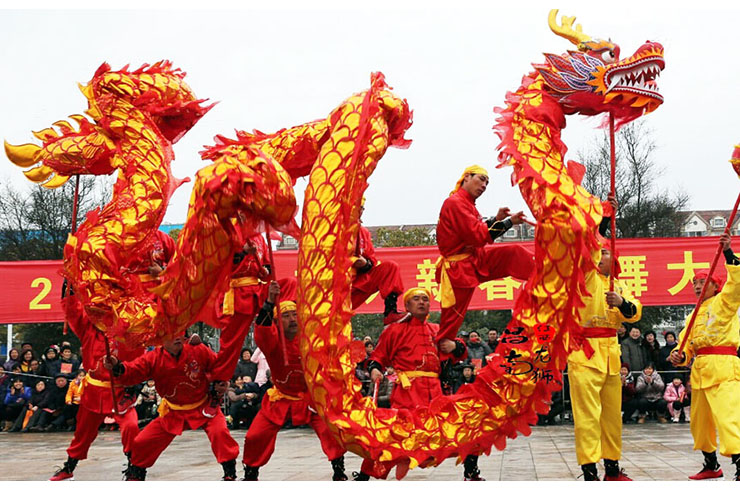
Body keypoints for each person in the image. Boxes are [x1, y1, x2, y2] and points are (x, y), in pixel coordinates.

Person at [353, 287, 479, 481]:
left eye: (425, 299)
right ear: (407, 305)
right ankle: (363, 476)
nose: (422, 303)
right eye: (417, 299)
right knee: (394, 438)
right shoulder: (395, 330)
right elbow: (378, 357)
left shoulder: (437, 330)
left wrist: (454, 346)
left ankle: (471, 474)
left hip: (436, 394)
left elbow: (460, 349)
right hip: (407, 393)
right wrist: (375, 369)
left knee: (462, 429)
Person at [241, 283, 347, 481]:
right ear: (277, 322)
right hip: (281, 396)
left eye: (294, 315)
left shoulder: (311, 338)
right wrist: (270, 301)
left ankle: (339, 470)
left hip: (310, 397)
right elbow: (262, 331)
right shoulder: (273, 341)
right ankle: (250, 473)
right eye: (286, 316)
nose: (291, 319)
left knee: (331, 431)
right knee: (255, 436)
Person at [568, 198, 642, 481]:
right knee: (587, 415)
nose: (603, 256)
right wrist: (605, 219)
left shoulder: (619, 286)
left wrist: (621, 302)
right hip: (584, 353)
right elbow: (588, 245)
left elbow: (634, 313)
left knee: (612, 415)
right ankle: (589, 470)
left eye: (608, 253)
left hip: (611, 355)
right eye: (601, 252)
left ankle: (612, 467)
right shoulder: (585, 276)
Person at [106, 332, 241, 481]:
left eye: (180, 334)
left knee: (220, 432)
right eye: (172, 335)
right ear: (161, 340)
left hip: (204, 406)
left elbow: (218, 367)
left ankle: (230, 474)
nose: (177, 337)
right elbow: (134, 370)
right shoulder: (153, 358)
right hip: (173, 410)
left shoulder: (198, 349)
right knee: (142, 442)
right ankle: (136, 475)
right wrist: (117, 367)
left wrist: (221, 382)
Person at [435, 165, 534, 349]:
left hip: (474, 259)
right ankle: (444, 356)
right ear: (466, 177)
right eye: (481, 179)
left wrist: (496, 219)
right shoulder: (455, 202)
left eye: (487, 183)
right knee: (451, 322)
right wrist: (507, 222)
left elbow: (476, 230)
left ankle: (544, 273)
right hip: (459, 267)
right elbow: (478, 235)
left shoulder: (467, 205)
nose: (484, 185)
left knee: (513, 253)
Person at [49, 296, 145, 481]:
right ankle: (69, 467)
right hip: (94, 391)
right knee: (83, 433)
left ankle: (134, 468)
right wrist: (67, 294)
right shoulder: (88, 328)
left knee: (131, 427)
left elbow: (140, 361)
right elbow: (74, 313)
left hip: (120, 390)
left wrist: (134, 382)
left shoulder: (129, 331)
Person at [669, 232, 740, 481]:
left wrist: (729, 252)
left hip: (723, 367)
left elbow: (737, 284)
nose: (698, 287)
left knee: (729, 418)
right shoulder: (691, 316)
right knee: (700, 423)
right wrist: (679, 356)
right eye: (695, 284)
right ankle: (711, 465)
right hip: (700, 372)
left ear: (715, 285)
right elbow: (685, 347)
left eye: (703, 282)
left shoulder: (724, 303)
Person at [351, 198, 406, 325]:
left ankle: (390, 312)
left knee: (390, 267)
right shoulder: (333, 229)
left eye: (361, 208)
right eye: (354, 207)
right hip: (333, 286)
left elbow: (372, 261)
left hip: (357, 285)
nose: (358, 212)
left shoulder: (363, 232)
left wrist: (365, 264)